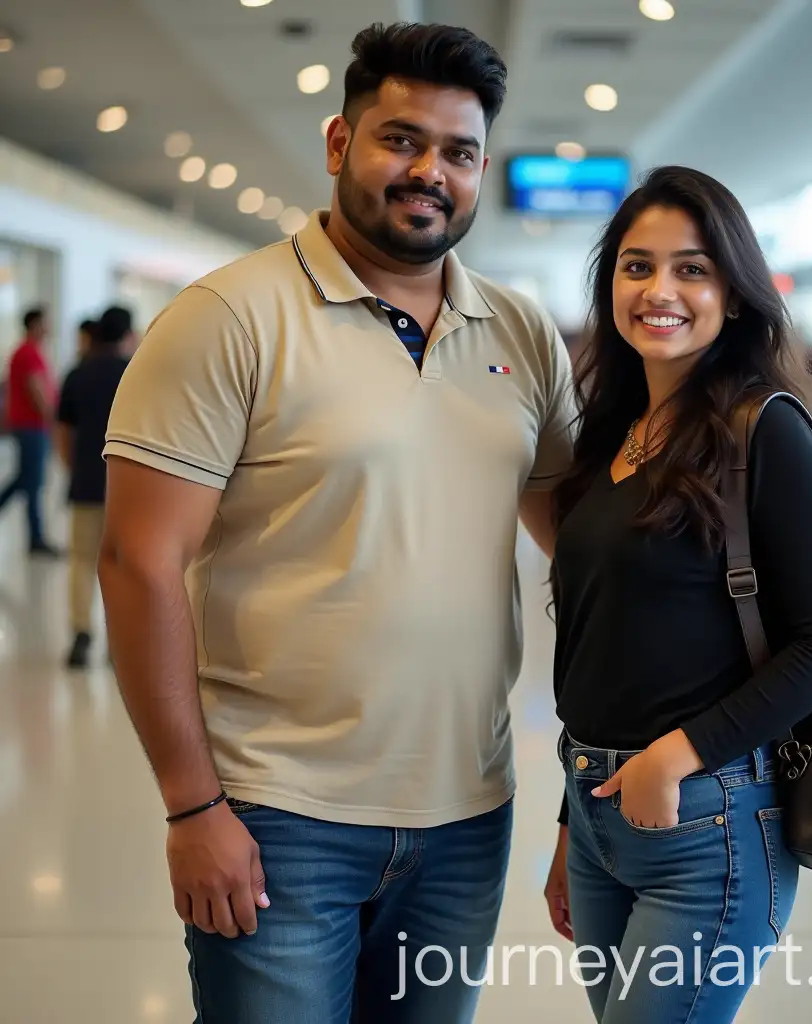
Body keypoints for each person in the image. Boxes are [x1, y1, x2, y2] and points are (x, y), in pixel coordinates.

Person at [99, 21, 574, 1024]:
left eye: (458, 152)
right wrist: (192, 805)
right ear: (337, 143)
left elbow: (585, 552)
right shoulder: (228, 317)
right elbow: (139, 562)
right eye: (401, 139)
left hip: (470, 814)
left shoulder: (523, 333)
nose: (428, 172)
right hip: (279, 816)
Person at [542, 167, 812, 1024]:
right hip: (598, 807)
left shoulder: (764, 428)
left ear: (734, 289)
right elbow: (603, 640)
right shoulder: (613, 434)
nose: (660, 291)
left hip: (710, 820)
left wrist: (679, 754)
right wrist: (572, 820)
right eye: (637, 266)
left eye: (692, 269)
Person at [55, 306, 135, 668]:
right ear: (126, 333)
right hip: (128, 491)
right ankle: (117, 640)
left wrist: (75, 467)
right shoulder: (134, 372)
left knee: (82, 560)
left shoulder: (77, 373)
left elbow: (62, 431)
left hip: (85, 485)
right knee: (123, 563)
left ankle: (81, 632)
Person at [0, 306, 60, 555]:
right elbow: (37, 392)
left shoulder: (27, 351)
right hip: (32, 426)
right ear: (35, 324)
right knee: (31, 481)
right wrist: (53, 422)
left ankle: (36, 537)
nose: (49, 326)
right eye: (46, 321)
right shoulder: (28, 352)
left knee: (27, 479)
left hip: (29, 426)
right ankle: (36, 539)